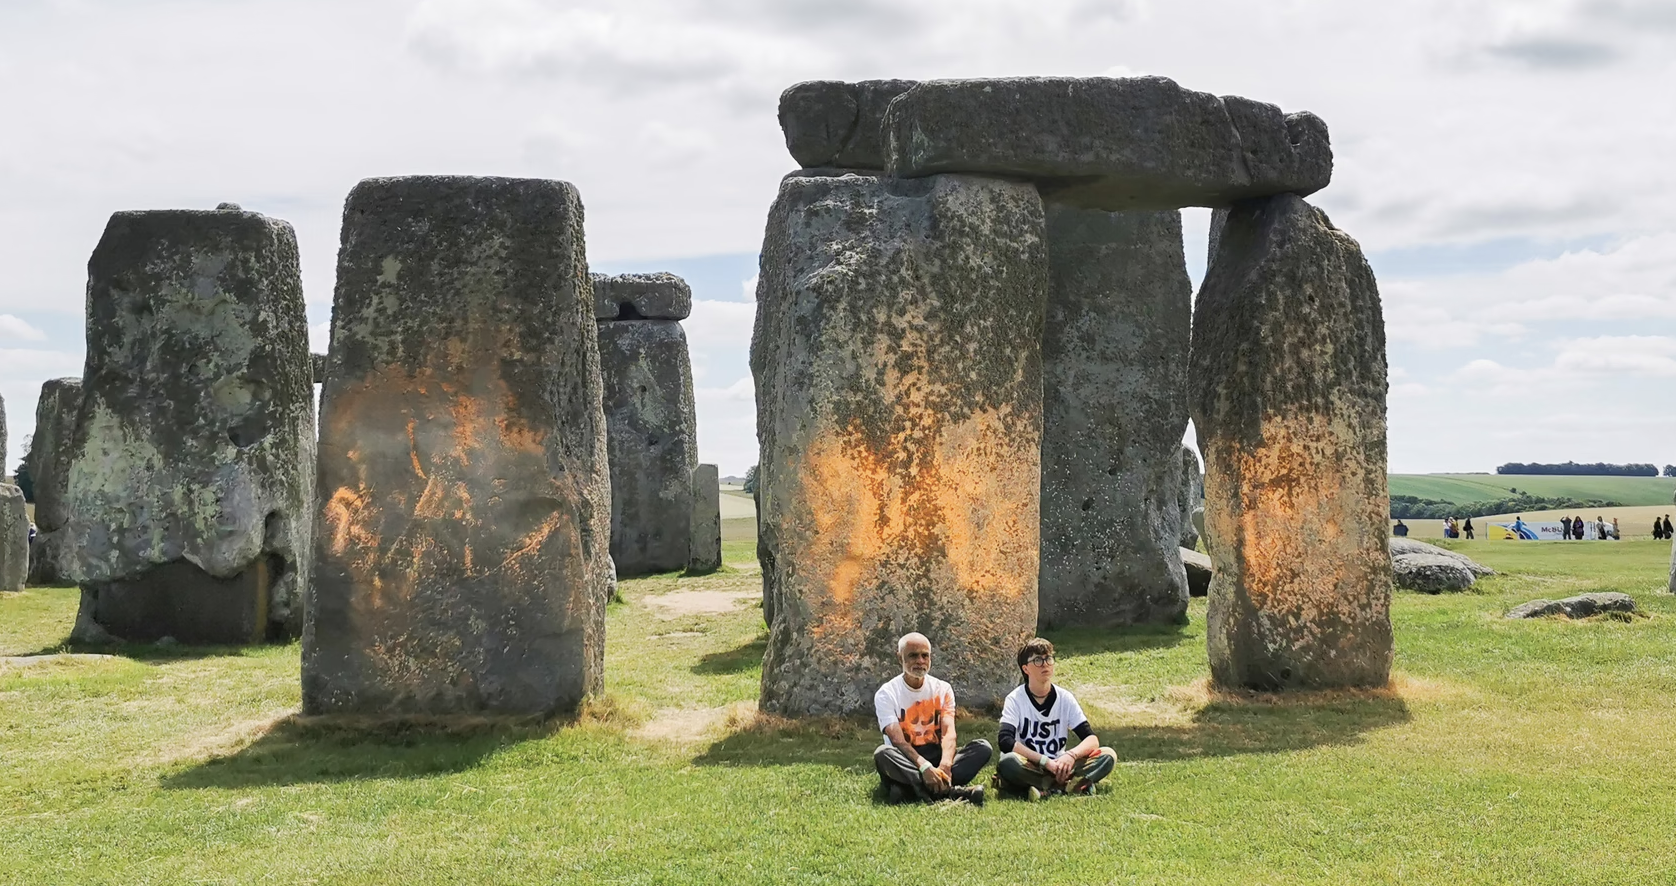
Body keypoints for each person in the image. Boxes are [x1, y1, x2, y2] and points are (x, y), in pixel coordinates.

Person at [873, 632, 991, 805]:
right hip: (906, 759)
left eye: (925, 655)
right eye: (913, 656)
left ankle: (910, 789)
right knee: (883, 754)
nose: (920, 661)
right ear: (900, 658)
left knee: (982, 748)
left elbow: (949, 733)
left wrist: (945, 765)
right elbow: (897, 741)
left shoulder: (943, 689)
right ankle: (951, 791)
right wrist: (924, 767)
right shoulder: (887, 693)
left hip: (936, 754)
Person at [993, 638, 1116, 801]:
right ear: (1025, 669)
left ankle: (1045, 788)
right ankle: (1072, 785)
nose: (1045, 664)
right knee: (1008, 761)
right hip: (1032, 764)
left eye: (1048, 659)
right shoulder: (1015, 699)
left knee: (1108, 755)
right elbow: (1005, 741)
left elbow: (1091, 739)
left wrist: (1071, 756)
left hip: (1060, 765)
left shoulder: (1065, 698)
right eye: (1038, 660)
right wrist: (1045, 762)